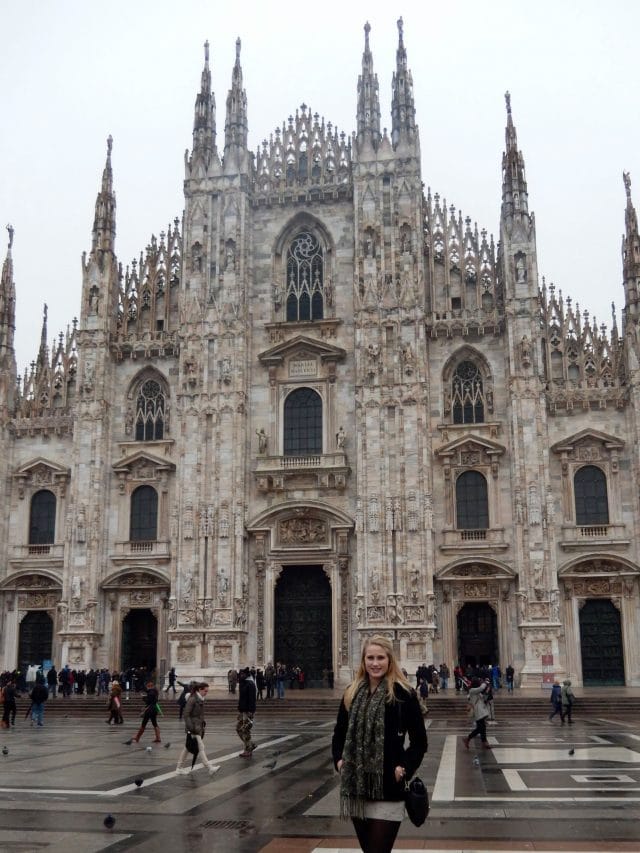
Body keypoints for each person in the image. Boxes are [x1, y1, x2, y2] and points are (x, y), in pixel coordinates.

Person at [332, 635, 427, 853]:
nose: (375, 663)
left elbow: (420, 742)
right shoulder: (351, 693)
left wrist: (404, 768)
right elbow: (339, 734)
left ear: (390, 660)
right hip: (357, 788)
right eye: (370, 658)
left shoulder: (404, 695)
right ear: (363, 661)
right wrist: (339, 762)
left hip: (389, 789)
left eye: (380, 658)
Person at [175, 682, 218, 775]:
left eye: (207, 691)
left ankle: (179, 768)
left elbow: (198, 715)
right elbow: (186, 714)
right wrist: (191, 727)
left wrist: (202, 722)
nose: (206, 693)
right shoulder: (193, 699)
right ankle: (209, 767)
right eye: (205, 691)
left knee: (187, 748)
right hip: (193, 727)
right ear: (200, 689)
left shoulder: (200, 699)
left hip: (198, 727)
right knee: (201, 746)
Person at [463, 678, 492, 749]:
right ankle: (468, 738)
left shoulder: (477, 692)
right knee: (480, 728)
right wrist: (485, 682)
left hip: (481, 711)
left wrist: (487, 692)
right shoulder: (472, 690)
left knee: (482, 727)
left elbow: (484, 698)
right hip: (478, 712)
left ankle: (483, 742)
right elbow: (481, 688)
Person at [236, 667, 257, 757]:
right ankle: (251, 745)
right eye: (240, 674)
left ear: (246, 675)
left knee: (245, 730)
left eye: (242, 674)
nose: (241, 676)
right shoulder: (243, 683)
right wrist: (240, 710)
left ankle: (248, 749)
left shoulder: (250, 684)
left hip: (248, 711)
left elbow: (252, 699)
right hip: (243, 711)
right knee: (239, 729)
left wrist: (251, 711)